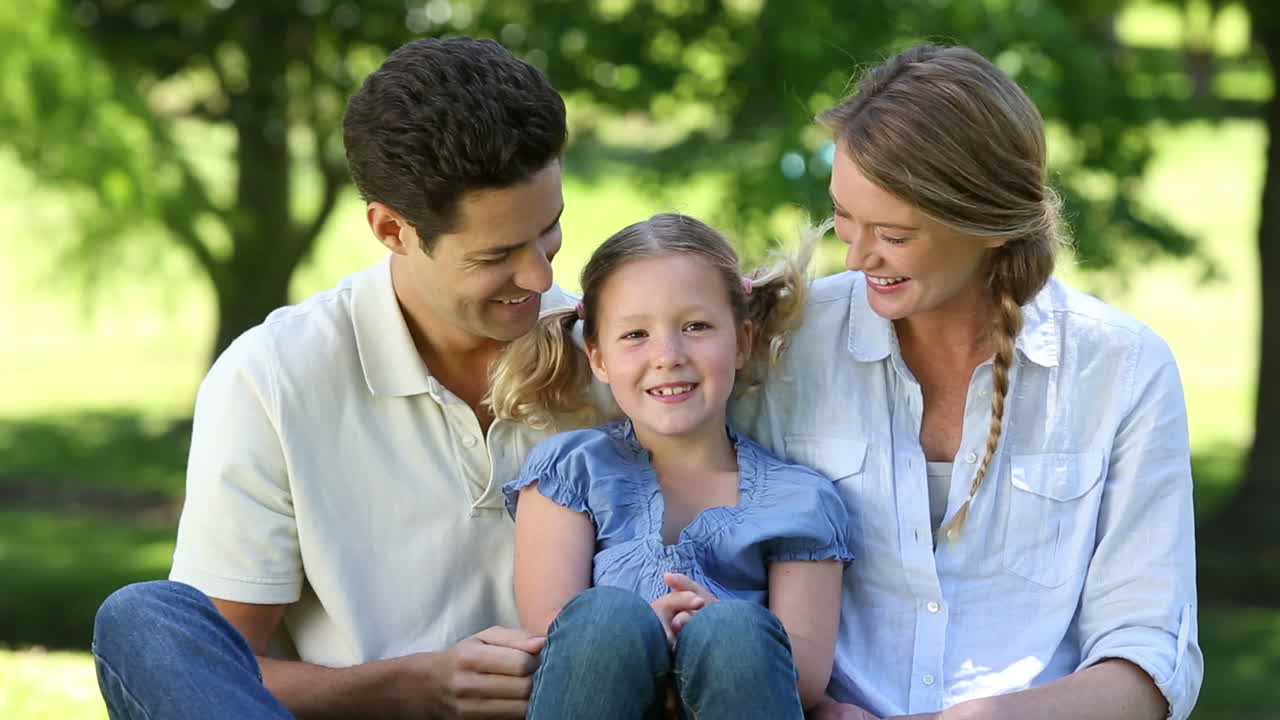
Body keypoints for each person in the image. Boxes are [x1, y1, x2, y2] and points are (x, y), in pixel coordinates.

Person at [92, 36, 574, 719]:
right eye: (496, 255)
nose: (541, 277)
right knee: (146, 622)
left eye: (550, 229)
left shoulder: (623, 358)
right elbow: (218, 673)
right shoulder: (272, 378)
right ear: (391, 229)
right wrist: (418, 686)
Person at [730, 44, 1203, 720]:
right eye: (844, 216)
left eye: (894, 234)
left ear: (989, 226)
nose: (856, 256)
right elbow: (701, 549)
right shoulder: (787, 345)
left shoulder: (1124, 370)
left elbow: (1149, 662)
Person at [485, 212, 851, 718]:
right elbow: (554, 637)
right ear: (598, 358)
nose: (668, 355)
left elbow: (805, 678)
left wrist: (712, 636)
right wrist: (647, 638)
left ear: (742, 341)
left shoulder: (799, 500)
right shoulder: (571, 472)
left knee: (733, 630)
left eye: (696, 326)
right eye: (635, 334)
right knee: (606, 618)